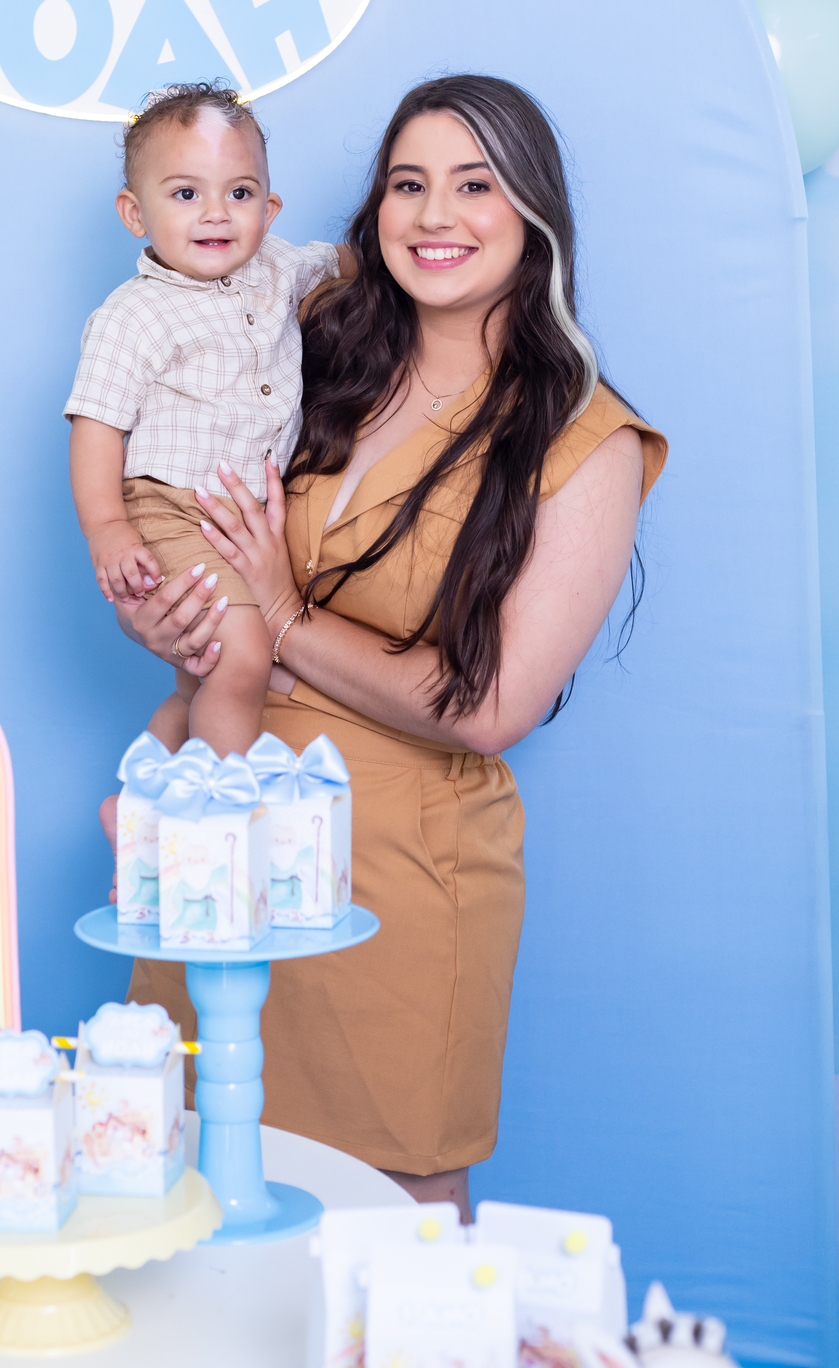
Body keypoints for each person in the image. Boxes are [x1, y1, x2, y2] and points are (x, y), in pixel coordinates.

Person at [106, 74, 667, 1220]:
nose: (434, 215)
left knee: (392, 1225)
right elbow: (175, 514)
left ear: (534, 212)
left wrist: (286, 618)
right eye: (408, 184)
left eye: (475, 185)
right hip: (217, 852)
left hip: (401, 875)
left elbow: (491, 707)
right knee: (184, 1189)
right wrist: (164, 615)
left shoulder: (583, 441)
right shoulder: (304, 344)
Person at [64, 82, 351, 758]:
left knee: (208, 673)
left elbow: (347, 262)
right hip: (173, 508)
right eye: (186, 194)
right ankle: (223, 801)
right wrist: (107, 528)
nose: (216, 214)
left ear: (270, 209)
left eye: (240, 193)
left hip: (245, 514)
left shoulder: (279, 268)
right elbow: (97, 424)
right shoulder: (133, 315)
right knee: (243, 657)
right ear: (135, 213)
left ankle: (146, 793)